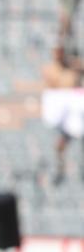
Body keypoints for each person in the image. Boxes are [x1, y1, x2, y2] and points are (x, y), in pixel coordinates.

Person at [42, 45, 84, 184]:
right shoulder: (52, 70)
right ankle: (60, 169)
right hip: (65, 111)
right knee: (61, 144)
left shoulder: (74, 68)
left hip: (76, 109)